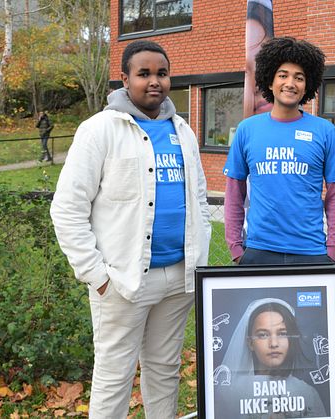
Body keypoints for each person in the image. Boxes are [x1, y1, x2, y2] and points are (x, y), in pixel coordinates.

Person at [50, 40, 212, 418]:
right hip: (122, 281)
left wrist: (200, 251)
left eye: (161, 73)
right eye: (143, 74)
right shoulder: (99, 130)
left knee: (164, 370)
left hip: (179, 279)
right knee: (114, 375)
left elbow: (201, 200)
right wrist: (97, 276)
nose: (154, 82)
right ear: (125, 79)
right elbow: (67, 208)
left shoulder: (183, 131)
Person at [223, 37, 335, 265]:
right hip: (258, 250)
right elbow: (234, 191)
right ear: (270, 82)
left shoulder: (325, 131)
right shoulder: (247, 130)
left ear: (307, 86)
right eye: (283, 75)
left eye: (299, 78)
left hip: (311, 251)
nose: (290, 83)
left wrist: (331, 250)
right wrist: (236, 248)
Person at [215, 298, 327, 418]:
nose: (274, 343)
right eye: (263, 335)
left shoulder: (307, 393)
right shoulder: (229, 393)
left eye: (282, 334)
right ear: (250, 343)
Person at [243, 0, 274, 118]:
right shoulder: (244, 131)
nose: (257, 87)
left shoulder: (321, 129)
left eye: (261, 67)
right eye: (248, 72)